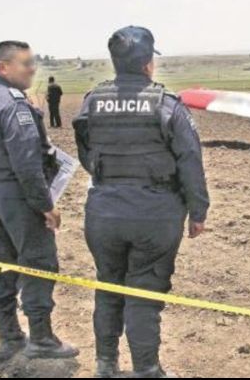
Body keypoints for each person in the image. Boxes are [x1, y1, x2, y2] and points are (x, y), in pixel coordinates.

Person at [73, 26, 209, 378]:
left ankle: (106, 366)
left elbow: (87, 156)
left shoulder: (92, 102)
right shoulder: (166, 105)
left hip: (103, 212)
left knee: (108, 286)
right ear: (149, 64)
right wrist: (198, 211)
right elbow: (190, 161)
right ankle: (147, 370)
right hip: (155, 215)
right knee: (144, 292)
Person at [0, 41, 79, 362]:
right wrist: (46, 205)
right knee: (39, 263)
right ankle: (41, 339)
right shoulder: (14, 105)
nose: (32, 69)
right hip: (19, 196)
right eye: (25, 63)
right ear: (3, 67)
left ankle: (9, 338)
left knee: (5, 264)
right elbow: (27, 165)